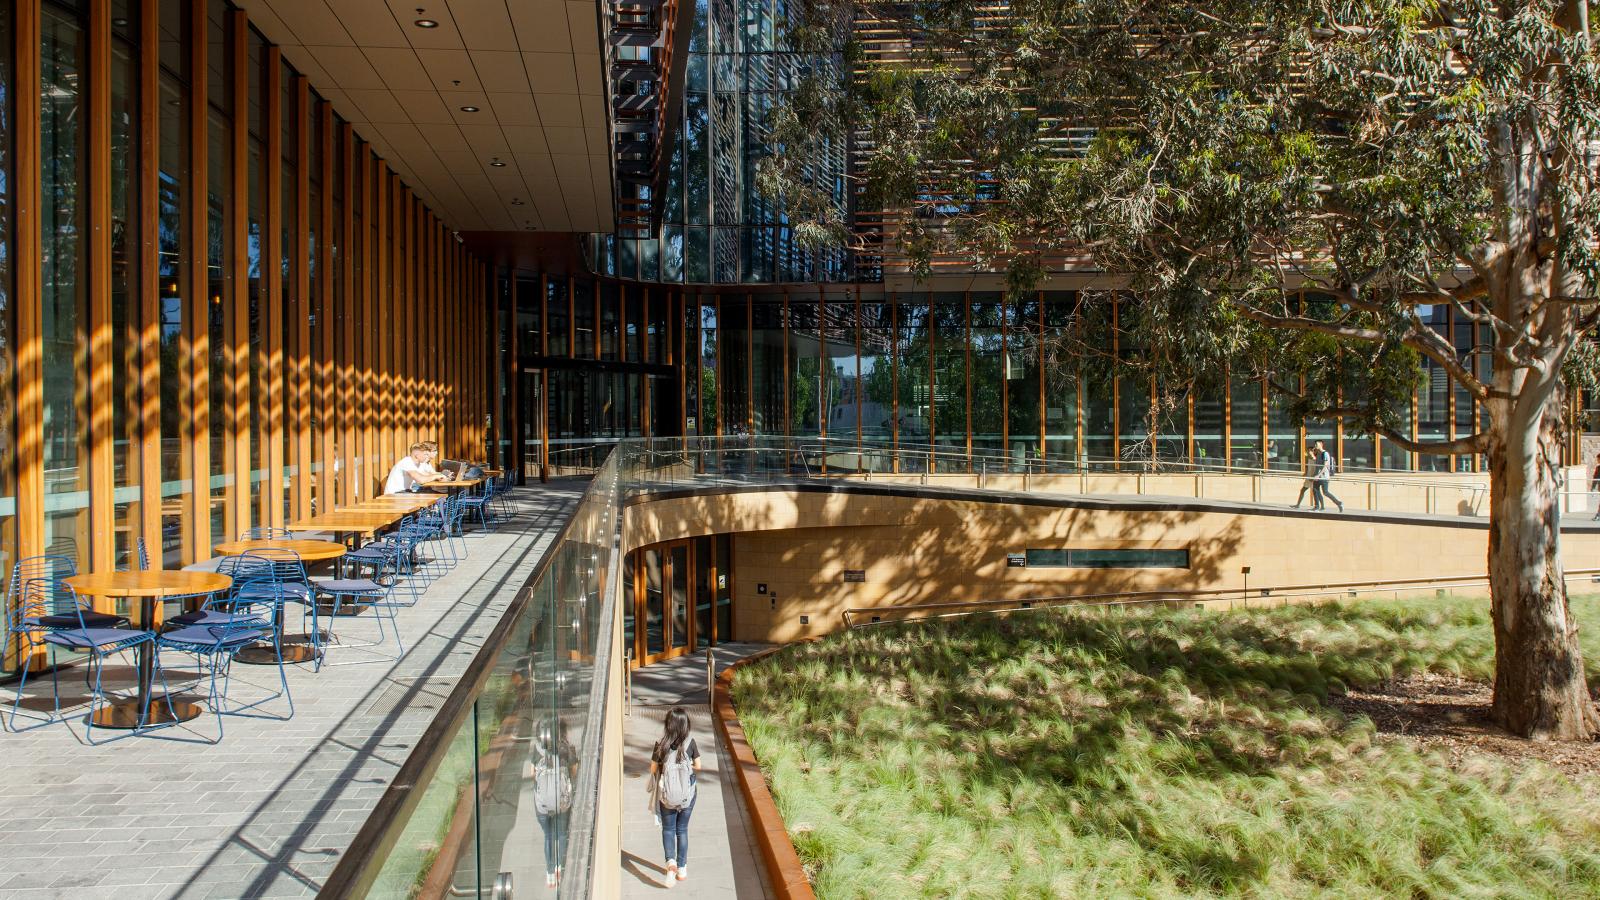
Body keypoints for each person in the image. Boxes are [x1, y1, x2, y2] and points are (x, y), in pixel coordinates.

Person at [648, 706, 702, 887]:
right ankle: (682, 868)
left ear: (668, 725)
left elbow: (653, 769)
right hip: (688, 795)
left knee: (668, 829)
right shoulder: (690, 743)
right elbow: (699, 766)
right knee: (682, 830)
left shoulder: (661, 743)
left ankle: (670, 862)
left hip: (667, 797)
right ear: (686, 725)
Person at [527, 716, 577, 888]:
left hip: (542, 804)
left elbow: (532, 773)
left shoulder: (537, 750)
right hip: (562, 802)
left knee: (548, 836)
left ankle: (549, 873)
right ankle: (560, 869)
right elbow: (574, 770)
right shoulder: (566, 748)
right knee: (562, 834)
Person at [384, 443, 448, 494]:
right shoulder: (407, 462)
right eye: (425, 454)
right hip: (395, 494)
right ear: (417, 455)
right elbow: (421, 480)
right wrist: (437, 476)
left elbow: (427, 475)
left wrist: (440, 476)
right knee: (437, 495)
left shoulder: (418, 463)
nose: (427, 457)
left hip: (404, 492)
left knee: (438, 494)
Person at [1312, 440, 1344, 512]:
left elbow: (1325, 466)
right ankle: (1317, 506)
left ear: (1321, 444)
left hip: (1324, 476)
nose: (1315, 446)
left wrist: (1318, 475)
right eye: (1315, 444)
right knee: (1315, 490)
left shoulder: (1325, 453)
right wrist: (1314, 475)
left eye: (1316, 444)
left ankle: (1339, 503)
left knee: (1325, 492)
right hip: (1317, 476)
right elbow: (1317, 466)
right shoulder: (1318, 454)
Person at [1590, 451, 1600, 521]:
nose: (1597, 461)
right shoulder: (1598, 467)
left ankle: (1598, 515)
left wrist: (1593, 488)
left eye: (1598, 459)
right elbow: (1595, 478)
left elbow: (1596, 477)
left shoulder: (1599, 468)